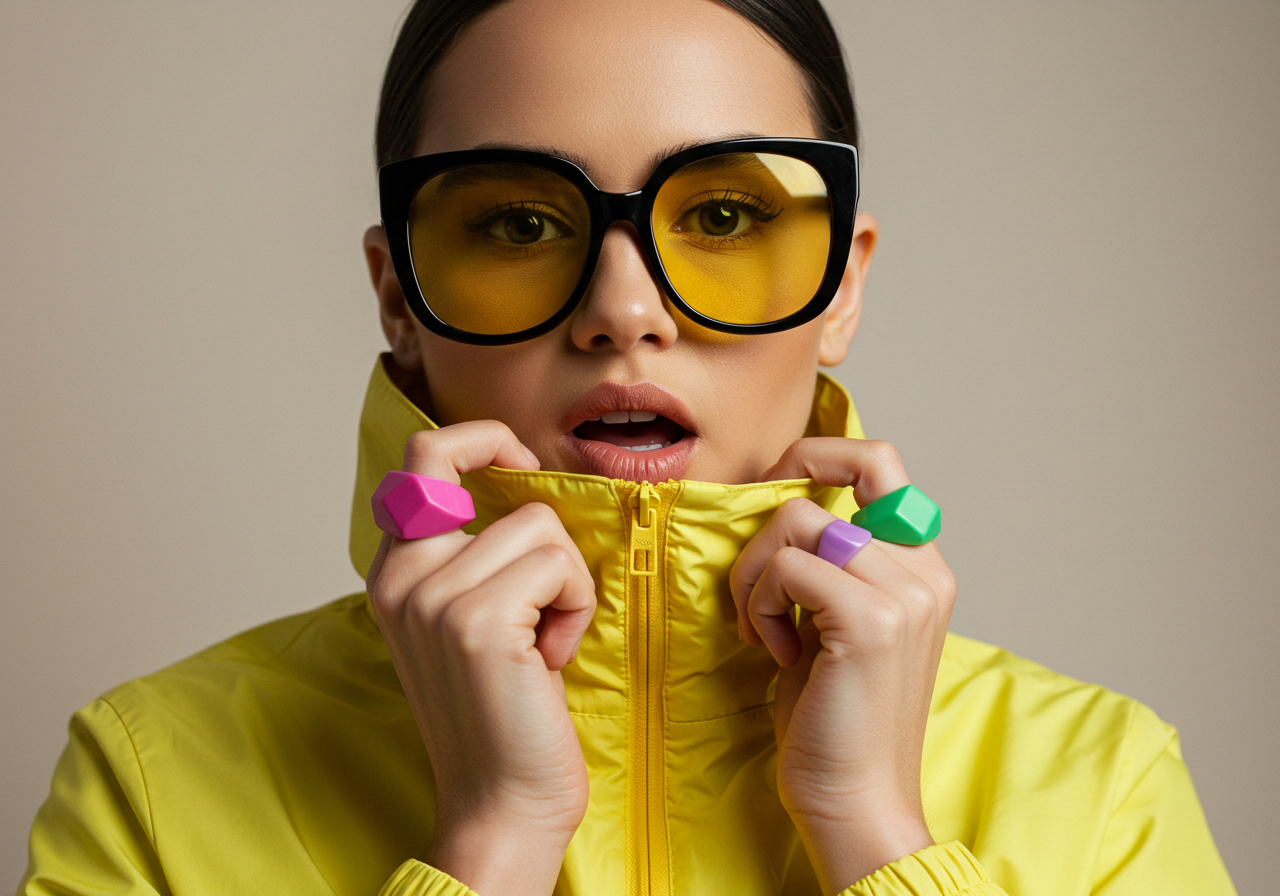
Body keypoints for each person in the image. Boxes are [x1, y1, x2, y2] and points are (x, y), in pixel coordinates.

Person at [18, 1, 1235, 894]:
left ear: (839, 287)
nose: (623, 306)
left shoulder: (1106, 782)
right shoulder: (152, 777)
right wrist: (493, 836)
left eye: (718, 215)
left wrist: (873, 828)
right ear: (398, 294)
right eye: (515, 220)